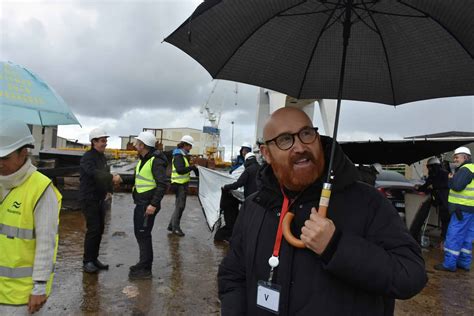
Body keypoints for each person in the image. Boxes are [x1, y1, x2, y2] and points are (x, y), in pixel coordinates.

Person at [218, 108, 427, 315]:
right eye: (284, 139)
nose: (299, 147)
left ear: (318, 138)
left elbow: (410, 275)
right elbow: (233, 276)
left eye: (306, 134)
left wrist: (336, 247)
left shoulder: (368, 202)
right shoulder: (255, 205)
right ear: (266, 153)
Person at [0, 119, 61, 314]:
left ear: (23, 152)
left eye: (5, 157)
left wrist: (39, 287)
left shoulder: (41, 189)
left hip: (20, 298)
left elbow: (46, 242)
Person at [119, 131, 168, 279]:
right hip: (141, 203)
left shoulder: (155, 160)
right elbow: (138, 179)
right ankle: (143, 263)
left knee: (143, 234)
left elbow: (162, 185)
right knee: (140, 233)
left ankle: (146, 268)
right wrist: (122, 178)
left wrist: (153, 204)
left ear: (143, 145)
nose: (135, 145)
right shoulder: (143, 159)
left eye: (137, 142)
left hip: (147, 205)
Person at [79, 128, 120, 273]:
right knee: (93, 229)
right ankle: (87, 261)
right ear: (94, 142)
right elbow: (94, 174)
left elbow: (105, 174)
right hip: (89, 198)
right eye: (103, 141)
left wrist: (109, 190)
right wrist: (111, 178)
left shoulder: (102, 157)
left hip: (100, 198)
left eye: (106, 140)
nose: (105, 143)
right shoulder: (88, 157)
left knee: (100, 229)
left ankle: (94, 258)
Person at [434, 146, 474, 272]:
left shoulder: (465, 169)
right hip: (469, 209)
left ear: (465, 157)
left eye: (457, 157)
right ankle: (464, 263)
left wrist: (451, 180)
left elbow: (457, 186)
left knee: (454, 235)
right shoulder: (471, 168)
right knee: (467, 237)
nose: (455, 160)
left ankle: (449, 264)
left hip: (461, 209)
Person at [215, 152, 260, 242]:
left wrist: (227, 187)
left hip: (250, 200)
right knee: (255, 221)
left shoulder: (248, 170)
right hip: (260, 199)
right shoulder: (261, 168)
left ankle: (223, 237)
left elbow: (239, 183)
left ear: (247, 161)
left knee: (244, 220)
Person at [168, 135, 198, 237]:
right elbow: (180, 170)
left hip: (181, 184)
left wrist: (193, 168)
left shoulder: (182, 155)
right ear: (184, 145)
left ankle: (171, 225)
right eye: (189, 146)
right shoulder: (178, 156)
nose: (190, 148)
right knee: (180, 206)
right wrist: (192, 167)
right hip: (179, 185)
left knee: (178, 206)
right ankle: (176, 228)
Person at [414, 157, 450, 244]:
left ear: (434, 166)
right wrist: (419, 188)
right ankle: (444, 238)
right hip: (438, 201)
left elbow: (446, 184)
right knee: (444, 220)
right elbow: (427, 185)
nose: (429, 169)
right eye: (428, 167)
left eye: (430, 167)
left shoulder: (445, 174)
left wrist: (433, 186)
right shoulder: (433, 175)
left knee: (446, 220)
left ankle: (445, 239)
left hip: (445, 201)